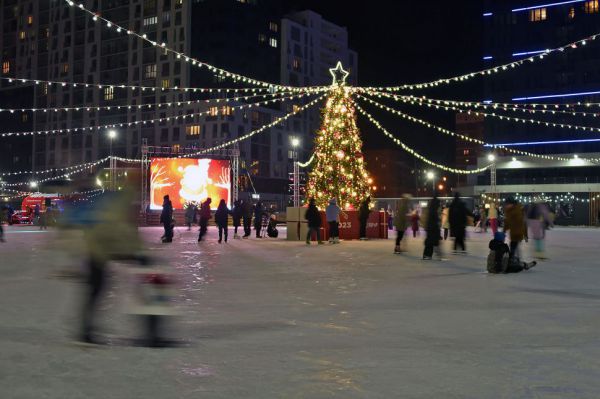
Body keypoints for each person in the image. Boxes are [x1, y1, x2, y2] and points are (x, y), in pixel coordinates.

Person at [423, 193, 442, 260]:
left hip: (430, 227)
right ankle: (436, 255)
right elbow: (434, 218)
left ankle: (428, 255)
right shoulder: (433, 209)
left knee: (430, 241)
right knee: (433, 241)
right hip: (432, 227)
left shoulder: (430, 207)